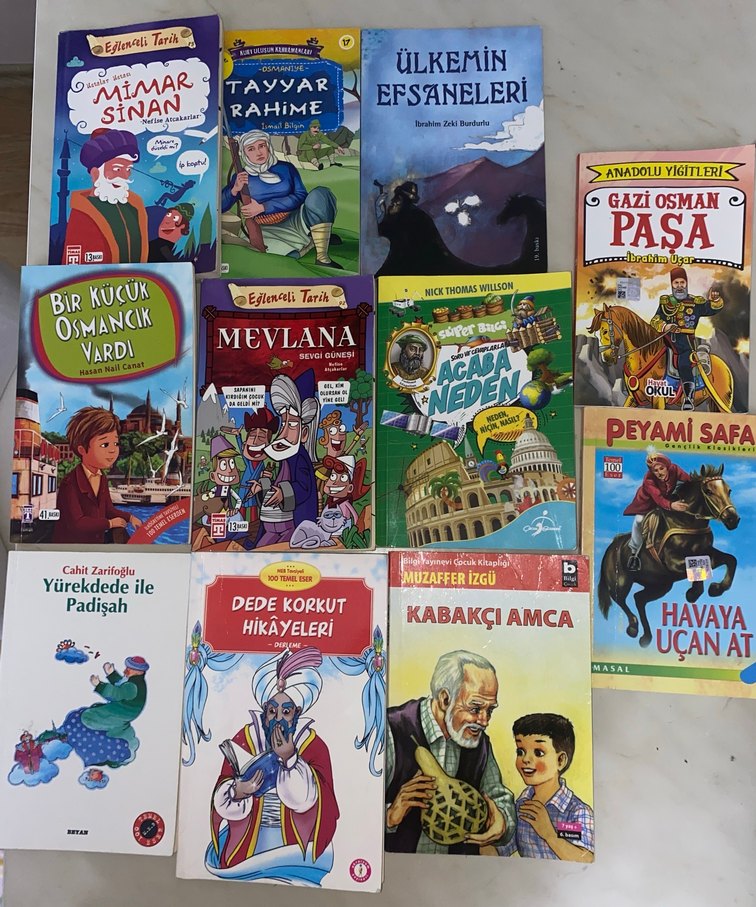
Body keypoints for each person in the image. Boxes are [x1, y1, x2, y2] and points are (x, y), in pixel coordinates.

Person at [208, 646, 339, 884]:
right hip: (248, 838)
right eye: (272, 711)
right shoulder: (246, 738)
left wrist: (290, 759)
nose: (278, 718)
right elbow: (221, 791)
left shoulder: (313, 745)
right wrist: (238, 791)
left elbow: (314, 801)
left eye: (286, 711)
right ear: (264, 713)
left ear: (296, 713)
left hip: (293, 843)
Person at [385, 650, 516, 854]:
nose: (484, 721)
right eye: (475, 709)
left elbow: (497, 795)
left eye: (489, 710)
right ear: (445, 699)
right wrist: (389, 816)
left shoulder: (480, 743)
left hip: (458, 869)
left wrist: (503, 821)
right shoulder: (389, 729)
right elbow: (355, 809)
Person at [221, 129, 342, 267]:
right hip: (264, 229)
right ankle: (314, 240)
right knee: (281, 259)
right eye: (251, 149)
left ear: (268, 146)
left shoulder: (286, 168)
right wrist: (234, 189)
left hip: (296, 219)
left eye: (261, 146)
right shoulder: (240, 177)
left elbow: (300, 196)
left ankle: (322, 257)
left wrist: (264, 207)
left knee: (321, 195)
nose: (258, 152)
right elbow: (220, 206)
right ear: (244, 153)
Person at [498, 713, 594, 861]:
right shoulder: (521, 805)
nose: (526, 759)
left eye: (538, 752)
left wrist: (550, 835)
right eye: (520, 751)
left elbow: (587, 860)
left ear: (560, 760)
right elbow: (500, 851)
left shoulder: (578, 812)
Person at [52, 406, 142, 544]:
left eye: (116, 443)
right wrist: (109, 524)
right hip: (73, 547)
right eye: (105, 445)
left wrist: (130, 517)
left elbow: (108, 510)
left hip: (95, 544)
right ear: (82, 449)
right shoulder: (70, 483)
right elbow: (78, 523)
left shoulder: (101, 478)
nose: (113, 450)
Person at [63, 128, 148, 264]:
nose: (124, 176)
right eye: (117, 169)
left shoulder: (134, 206)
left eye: (128, 169)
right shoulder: (82, 211)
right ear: (96, 173)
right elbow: (73, 261)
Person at [256, 371, 319, 548]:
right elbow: (279, 483)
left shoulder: (300, 458)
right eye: (283, 423)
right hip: (271, 524)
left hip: (292, 526)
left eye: (291, 425)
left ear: (304, 433)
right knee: (260, 549)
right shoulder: (284, 456)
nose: (283, 432)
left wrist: (284, 493)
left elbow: (304, 487)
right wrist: (263, 485)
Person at [650, 267, 724, 410]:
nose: (679, 286)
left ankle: (688, 398)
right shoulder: (666, 302)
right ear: (672, 285)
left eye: (682, 282)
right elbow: (655, 320)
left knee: (684, 363)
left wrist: (715, 300)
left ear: (686, 283)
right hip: (666, 341)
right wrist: (665, 326)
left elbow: (711, 309)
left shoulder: (695, 302)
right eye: (676, 283)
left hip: (686, 344)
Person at [60, 656, 150, 769]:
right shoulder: (134, 682)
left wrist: (99, 685)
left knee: (88, 717)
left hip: (121, 712)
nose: (126, 670)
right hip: (124, 710)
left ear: (139, 672)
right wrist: (111, 673)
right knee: (96, 708)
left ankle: (113, 734)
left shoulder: (133, 686)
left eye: (130, 669)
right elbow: (121, 684)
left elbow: (116, 693)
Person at [624, 451, 690, 571]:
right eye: (656, 470)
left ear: (667, 467)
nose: (659, 473)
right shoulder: (649, 479)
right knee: (639, 521)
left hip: (667, 501)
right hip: (647, 504)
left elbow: (689, 480)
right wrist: (672, 505)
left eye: (661, 468)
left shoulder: (675, 469)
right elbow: (658, 498)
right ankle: (634, 554)